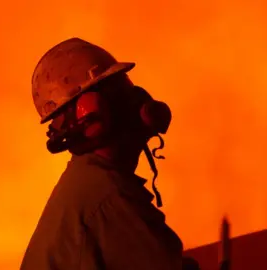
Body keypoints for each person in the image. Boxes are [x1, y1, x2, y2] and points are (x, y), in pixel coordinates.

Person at [20, 37, 187, 270]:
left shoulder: (88, 185)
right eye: (118, 90)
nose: (136, 99)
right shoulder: (110, 200)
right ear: (93, 114)